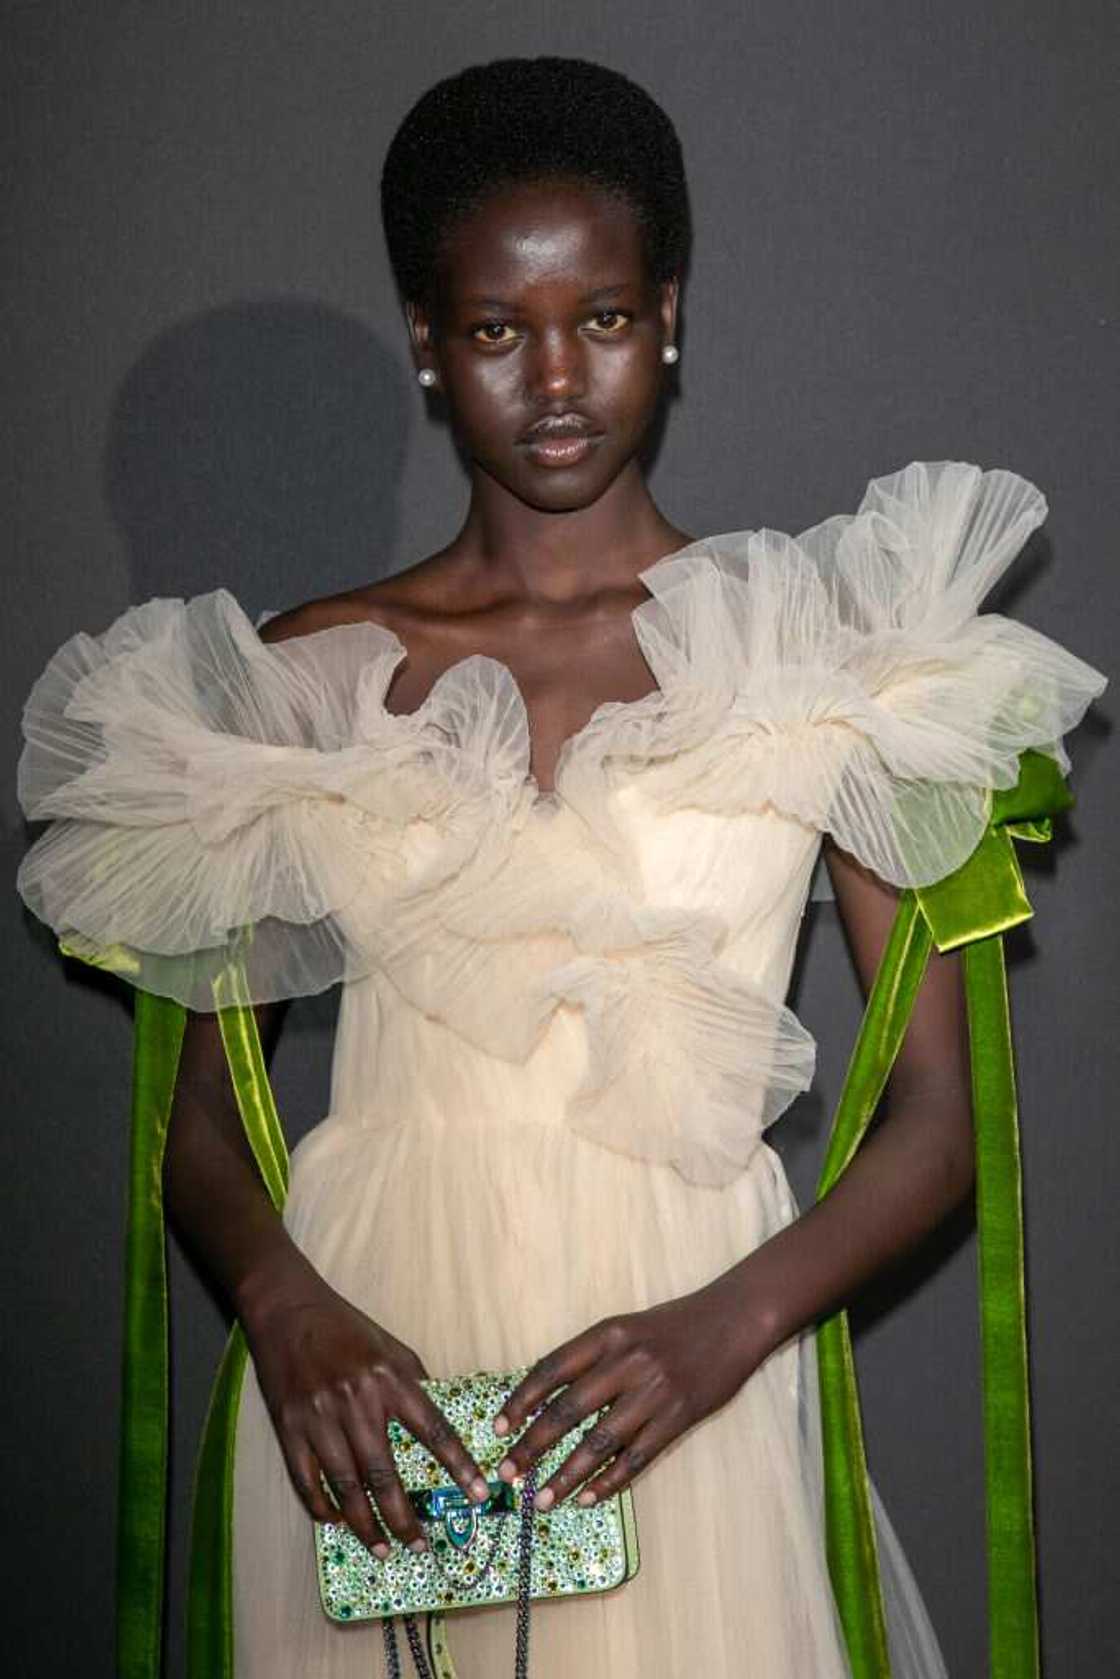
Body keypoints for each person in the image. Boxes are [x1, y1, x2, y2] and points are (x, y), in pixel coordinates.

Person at [15, 55, 1106, 1679]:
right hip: (369, 1373)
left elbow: (939, 1120)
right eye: (494, 329)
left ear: (667, 317)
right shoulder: (308, 676)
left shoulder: (835, 659)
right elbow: (193, 1120)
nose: (554, 379)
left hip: (677, 1366)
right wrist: (285, 1309)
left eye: (598, 319)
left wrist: (724, 1332)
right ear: (426, 347)